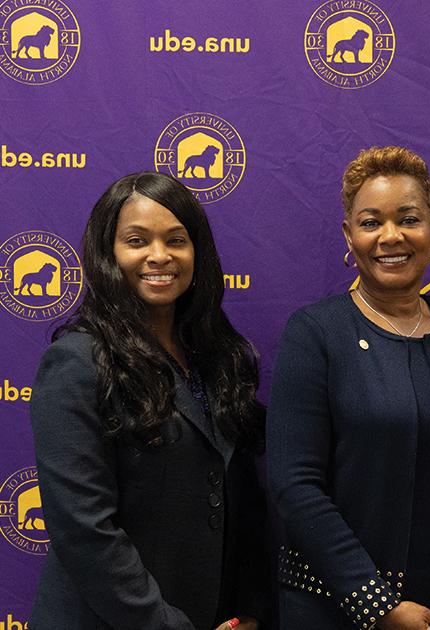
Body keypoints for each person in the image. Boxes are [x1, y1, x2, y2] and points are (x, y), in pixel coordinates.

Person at [268, 146, 430, 630]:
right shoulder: (315, 333)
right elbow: (294, 485)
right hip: (337, 609)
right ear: (349, 236)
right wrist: (376, 604)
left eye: (408, 218)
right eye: (370, 222)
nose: (391, 236)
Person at [30, 171, 270, 630]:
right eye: (137, 240)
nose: (159, 256)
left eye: (176, 240)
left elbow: (241, 505)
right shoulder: (76, 364)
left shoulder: (218, 360)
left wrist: (250, 611)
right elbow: (85, 530)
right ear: (108, 254)